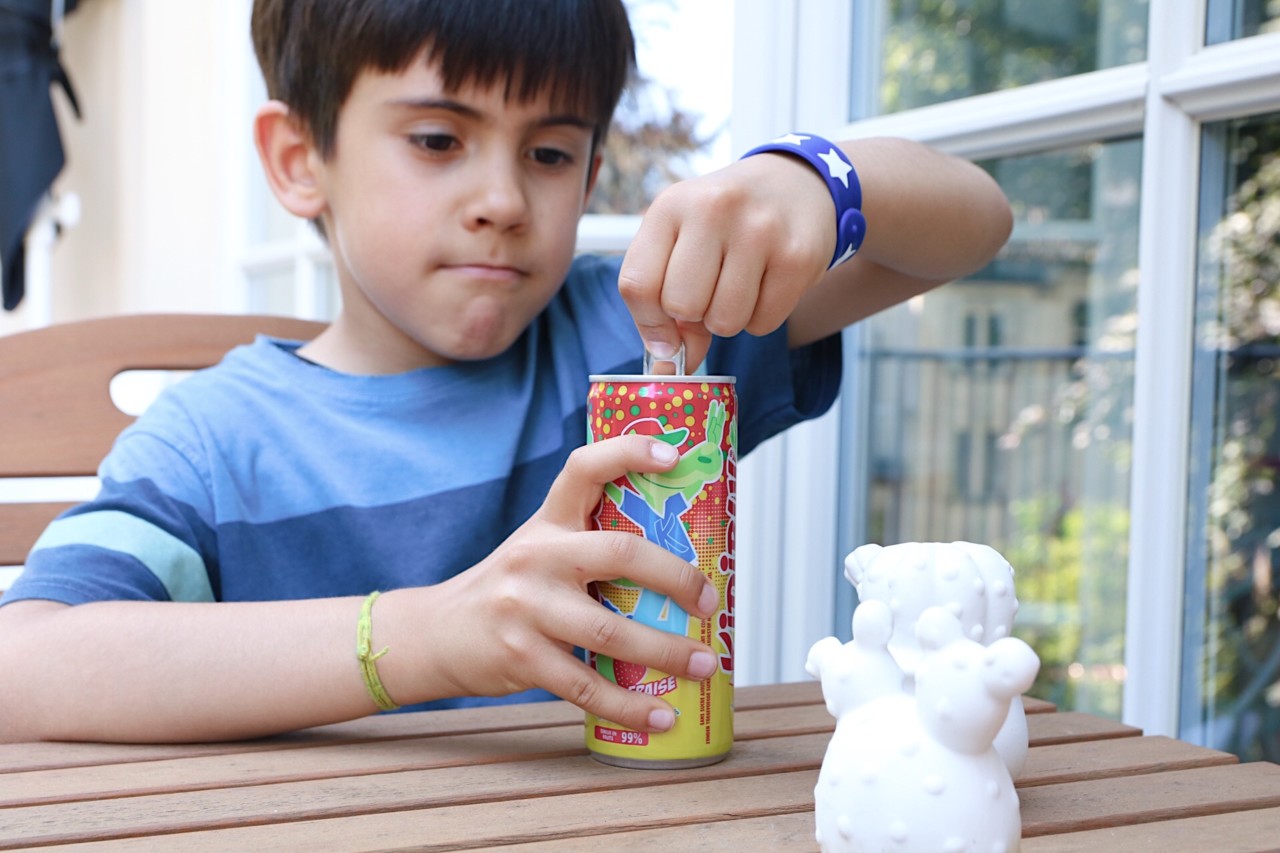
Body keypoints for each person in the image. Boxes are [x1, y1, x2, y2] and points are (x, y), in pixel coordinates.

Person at [0, 0, 1012, 744]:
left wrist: (817, 181)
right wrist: (426, 637)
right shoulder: (213, 442)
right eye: (438, 139)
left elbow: (971, 225)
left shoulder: (641, 348)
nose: (501, 200)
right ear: (299, 156)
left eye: (549, 153)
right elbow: (22, 665)